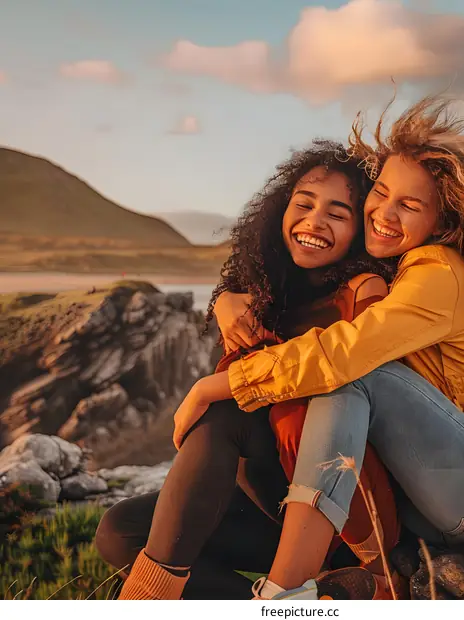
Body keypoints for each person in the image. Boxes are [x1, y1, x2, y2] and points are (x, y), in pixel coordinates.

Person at [176, 95, 464, 600]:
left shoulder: (438, 273)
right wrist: (227, 299)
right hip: (427, 501)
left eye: (409, 205)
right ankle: (302, 584)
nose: (382, 213)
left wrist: (216, 386)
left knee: (350, 373)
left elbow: (343, 352)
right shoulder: (394, 272)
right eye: (381, 192)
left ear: (444, 221)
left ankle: (283, 593)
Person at [96, 141, 400, 600]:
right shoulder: (262, 288)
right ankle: (297, 606)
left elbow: (340, 381)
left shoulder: (364, 293)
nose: (315, 221)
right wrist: (226, 301)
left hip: (329, 507)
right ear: (280, 211)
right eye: (304, 204)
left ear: (360, 231)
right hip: (262, 499)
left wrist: (207, 388)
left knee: (228, 410)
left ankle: (145, 602)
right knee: (120, 531)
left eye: (338, 214)